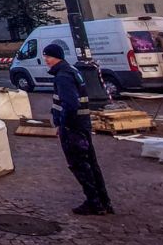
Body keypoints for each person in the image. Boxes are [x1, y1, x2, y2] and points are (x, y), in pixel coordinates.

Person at [44, 43, 114, 215]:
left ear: (56, 57)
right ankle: (104, 201)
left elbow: (70, 103)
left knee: (80, 165)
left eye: (48, 56)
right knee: (91, 164)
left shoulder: (63, 76)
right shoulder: (73, 72)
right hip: (82, 125)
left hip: (73, 128)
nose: (46, 60)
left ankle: (94, 203)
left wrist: (63, 124)